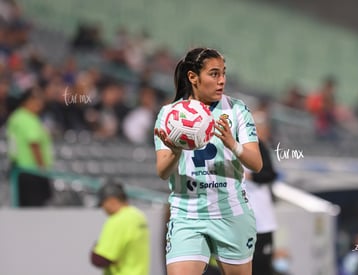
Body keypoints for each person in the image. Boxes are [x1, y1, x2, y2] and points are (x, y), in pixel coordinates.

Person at [154, 47, 263, 275]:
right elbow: (163, 172)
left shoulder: (237, 109)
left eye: (224, 73)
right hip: (187, 214)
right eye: (214, 74)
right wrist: (175, 151)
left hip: (231, 213)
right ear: (193, 77)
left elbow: (256, 164)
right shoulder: (170, 115)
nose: (222, 80)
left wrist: (233, 144)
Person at [6, 86, 53, 206]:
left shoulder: (16, 117)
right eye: (36, 99)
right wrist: (41, 168)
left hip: (20, 169)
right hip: (32, 171)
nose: (40, 103)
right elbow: (34, 143)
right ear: (27, 101)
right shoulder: (27, 119)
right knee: (34, 209)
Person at [91, 181, 150, 275]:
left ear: (112, 200)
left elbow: (99, 259)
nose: (103, 209)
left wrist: (95, 247)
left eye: (103, 204)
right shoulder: (139, 216)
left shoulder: (118, 220)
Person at [245, 109, 278, 275]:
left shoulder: (259, 146)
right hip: (243, 219)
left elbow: (270, 174)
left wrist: (251, 176)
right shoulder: (236, 146)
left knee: (262, 264)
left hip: (261, 219)